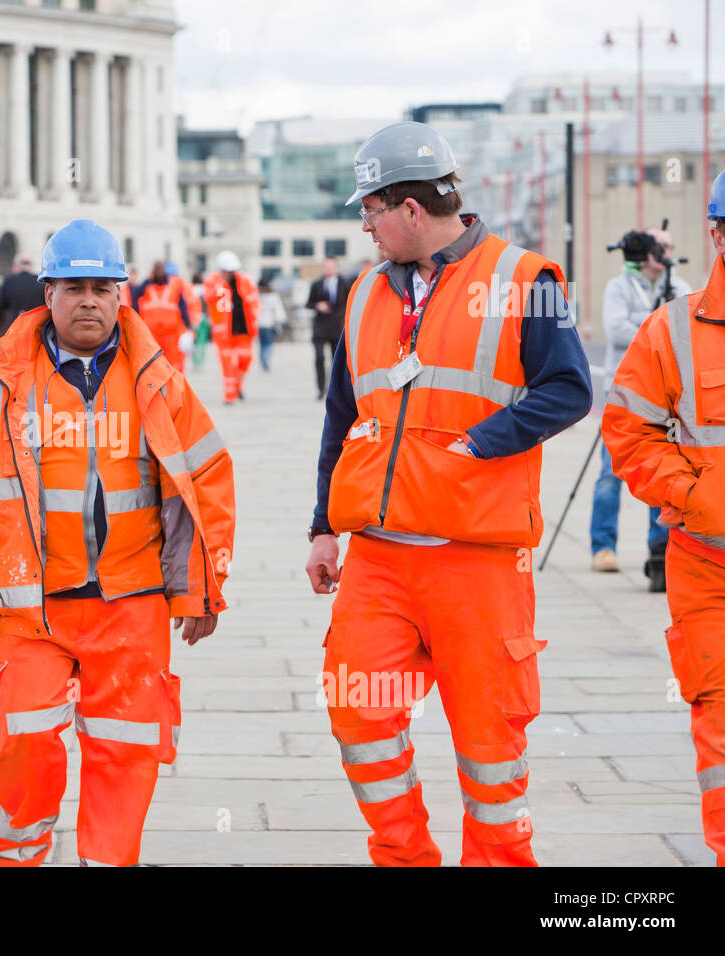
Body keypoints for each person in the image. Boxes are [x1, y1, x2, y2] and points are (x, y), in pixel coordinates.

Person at [304, 122, 592, 866]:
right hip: (378, 561)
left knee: (489, 748)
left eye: (369, 209)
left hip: (478, 561)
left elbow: (570, 389)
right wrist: (321, 529)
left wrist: (481, 443)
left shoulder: (528, 279)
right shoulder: (366, 291)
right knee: (359, 715)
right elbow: (344, 414)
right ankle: (405, 858)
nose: (363, 225)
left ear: (408, 207)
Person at [0, 219, 236, 867]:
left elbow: (208, 481)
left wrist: (205, 586)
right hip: (31, 608)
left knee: (125, 756)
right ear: (48, 294)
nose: (89, 300)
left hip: (132, 603)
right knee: (21, 743)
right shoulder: (2, 386)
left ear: (122, 295)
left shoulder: (159, 383)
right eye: (74, 288)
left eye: (102, 287)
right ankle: (22, 850)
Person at [601, 171, 725, 865]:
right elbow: (628, 430)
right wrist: (694, 495)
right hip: (708, 563)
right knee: (720, 724)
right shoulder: (672, 328)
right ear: (716, 234)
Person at [590, 228, 692, 588]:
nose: (660, 252)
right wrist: (656, 328)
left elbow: (688, 332)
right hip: (622, 394)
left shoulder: (680, 288)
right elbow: (615, 330)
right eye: (655, 247)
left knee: (660, 473)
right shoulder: (619, 286)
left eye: (666, 246)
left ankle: (659, 547)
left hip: (665, 397)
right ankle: (602, 546)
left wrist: (648, 329)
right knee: (608, 474)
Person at [203, 250, 260, 404]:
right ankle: (229, 395)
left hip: (243, 329)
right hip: (223, 333)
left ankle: (237, 385)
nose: (230, 273)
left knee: (246, 358)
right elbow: (209, 298)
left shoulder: (245, 281)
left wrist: (255, 323)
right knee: (227, 364)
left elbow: (254, 301)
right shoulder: (212, 282)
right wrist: (221, 284)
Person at [132, 259, 193, 372]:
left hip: (171, 335)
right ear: (153, 270)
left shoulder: (173, 286)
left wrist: (188, 325)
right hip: (152, 335)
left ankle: (174, 389)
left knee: (174, 365)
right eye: (157, 269)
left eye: (160, 269)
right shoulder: (147, 286)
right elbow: (134, 296)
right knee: (153, 365)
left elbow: (182, 306)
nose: (159, 272)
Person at [306, 257, 352, 399]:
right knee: (319, 357)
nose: (328, 269)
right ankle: (320, 389)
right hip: (320, 327)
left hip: (338, 327)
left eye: (331, 267)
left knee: (336, 360)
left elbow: (351, 302)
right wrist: (317, 305)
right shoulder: (317, 284)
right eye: (326, 267)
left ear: (336, 268)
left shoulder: (345, 283)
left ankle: (335, 390)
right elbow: (309, 303)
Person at [0, 254, 46, 341]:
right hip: (36, 338)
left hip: (12, 338)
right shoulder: (41, 284)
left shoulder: (8, 282)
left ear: (16, 266)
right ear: (31, 267)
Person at [256, 277, 286, 372]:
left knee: (262, 344)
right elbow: (278, 311)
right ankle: (267, 358)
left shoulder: (257, 296)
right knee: (268, 344)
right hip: (269, 324)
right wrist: (280, 321)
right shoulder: (273, 296)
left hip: (259, 324)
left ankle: (263, 362)